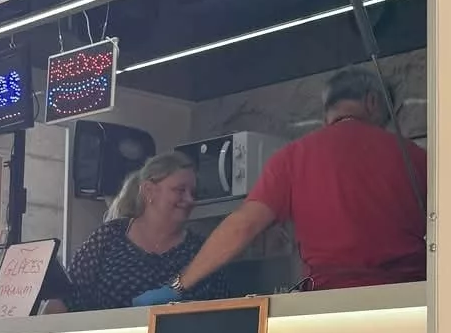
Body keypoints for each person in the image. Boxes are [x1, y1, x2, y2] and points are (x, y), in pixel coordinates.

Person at [135, 67, 427, 303]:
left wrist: (177, 286)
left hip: (331, 306)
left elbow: (243, 225)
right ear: (373, 102)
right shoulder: (415, 156)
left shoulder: (293, 157)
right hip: (412, 301)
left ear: (328, 108)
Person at [66, 151, 222, 311]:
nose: (190, 199)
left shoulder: (201, 250)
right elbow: (68, 294)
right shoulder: (110, 236)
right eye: (180, 190)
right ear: (149, 190)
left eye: (193, 193)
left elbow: (222, 309)